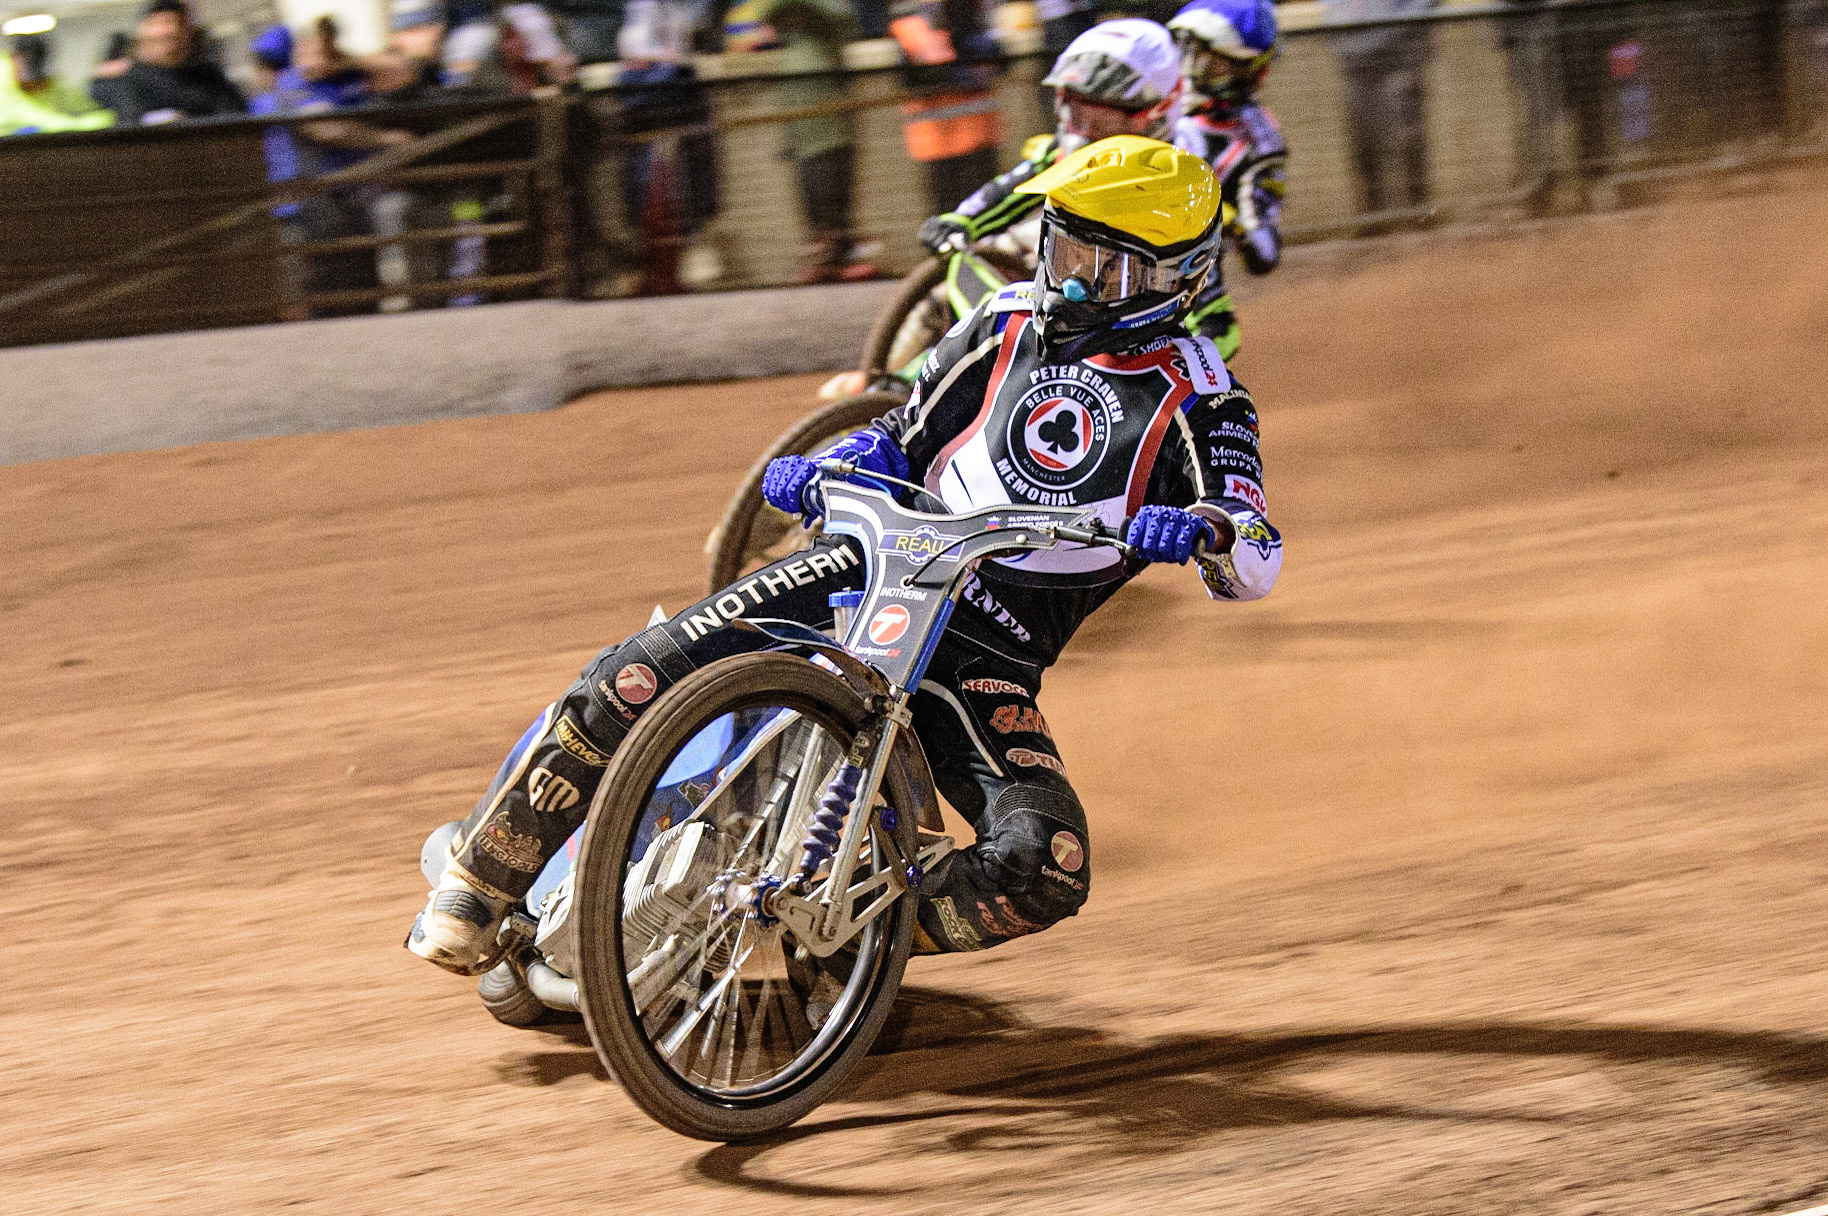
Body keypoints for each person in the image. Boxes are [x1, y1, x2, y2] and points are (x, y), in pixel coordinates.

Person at [407, 135, 1283, 972]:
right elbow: (903, 435)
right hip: (876, 570)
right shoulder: (1002, 321)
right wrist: (839, 462)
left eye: (1108, 266)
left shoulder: (1206, 397)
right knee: (640, 671)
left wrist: (1206, 531)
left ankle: (853, 944)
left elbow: (1255, 543)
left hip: (990, 655)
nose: (1076, 280)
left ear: (1177, 276)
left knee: (1045, 863)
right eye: (1067, 250)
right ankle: (481, 881)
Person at [914, 20, 1182, 285]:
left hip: (1137, 300)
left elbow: (1199, 286)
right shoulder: (1070, 148)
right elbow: (1017, 186)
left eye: (1098, 112)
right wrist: (962, 220)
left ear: (1156, 109)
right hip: (1065, 282)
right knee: (970, 269)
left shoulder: (1184, 173)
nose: (1081, 127)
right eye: (1073, 104)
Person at [725, 0, 881, 284]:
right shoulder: (793, 46)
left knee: (831, 192)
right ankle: (826, 251)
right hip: (803, 129)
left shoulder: (826, 30)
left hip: (829, 125)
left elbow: (842, 18)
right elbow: (738, 27)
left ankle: (839, 251)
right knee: (813, 195)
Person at [1167, 0, 1287, 360]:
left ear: (1247, 69)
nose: (1193, 66)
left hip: (1191, 292)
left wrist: (1226, 217)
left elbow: (1264, 253)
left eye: (1209, 59)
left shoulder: (1259, 142)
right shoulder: (1159, 99)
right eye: (1191, 52)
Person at [1322, 0, 1435, 222]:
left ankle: (1418, 213)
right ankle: (1374, 218)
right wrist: (1356, 45)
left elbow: (1422, 7)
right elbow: (1330, 19)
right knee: (1363, 145)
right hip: (1357, 70)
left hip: (1399, 64)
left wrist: (1371, 39)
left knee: (1407, 140)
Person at [889, 0, 1005, 216]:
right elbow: (912, 78)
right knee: (950, 220)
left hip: (979, 136)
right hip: (938, 143)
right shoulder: (908, 20)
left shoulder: (972, 14)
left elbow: (998, 59)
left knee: (988, 216)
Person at [105, 0, 245, 126]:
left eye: (173, 23)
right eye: (157, 24)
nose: (167, 31)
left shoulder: (210, 77)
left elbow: (234, 118)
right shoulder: (128, 83)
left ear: (188, 31)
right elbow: (130, 129)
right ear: (142, 32)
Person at [0, 32, 113, 135]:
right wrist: (84, 123)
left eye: (40, 81)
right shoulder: (3, 76)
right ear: (14, 59)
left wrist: (106, 116)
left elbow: (81, 104)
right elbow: (26, 116)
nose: (36, 85)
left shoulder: (50, 81)